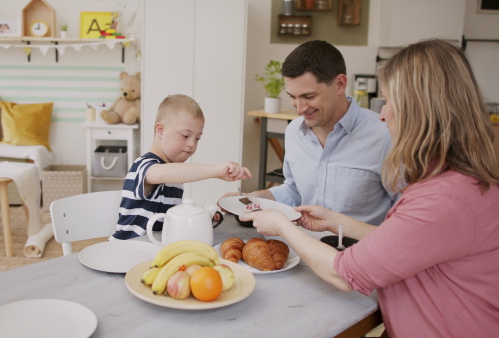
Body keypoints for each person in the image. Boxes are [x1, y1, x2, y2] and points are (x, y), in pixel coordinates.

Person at [241, 39, 499, 337]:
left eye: (389, 102)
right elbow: (407, 238)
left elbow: (345, 274)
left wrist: (282, 226)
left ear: (421, 110)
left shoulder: (443, 199)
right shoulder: (456, 183)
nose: (382, 114)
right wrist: (338, 221)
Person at [223, 40, 397, 226]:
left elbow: (405, 214)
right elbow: (295, 191)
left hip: (359, 251)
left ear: (339, 84)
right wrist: (256, 198)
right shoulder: (294, 132)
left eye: (309, 96)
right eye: (292, 97)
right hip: (304, 246)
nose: (299, 109)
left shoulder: (385, 136)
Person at [110, 94, 252, 240]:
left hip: (155, 249)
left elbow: (168, 220)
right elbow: (161, 174)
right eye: (185, 136)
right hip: (127, 248)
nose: (192, 144)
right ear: (160, 130)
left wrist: (204, 216)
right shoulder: (143, 165)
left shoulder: (175, 177)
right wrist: (216, 171)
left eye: (197, 138)